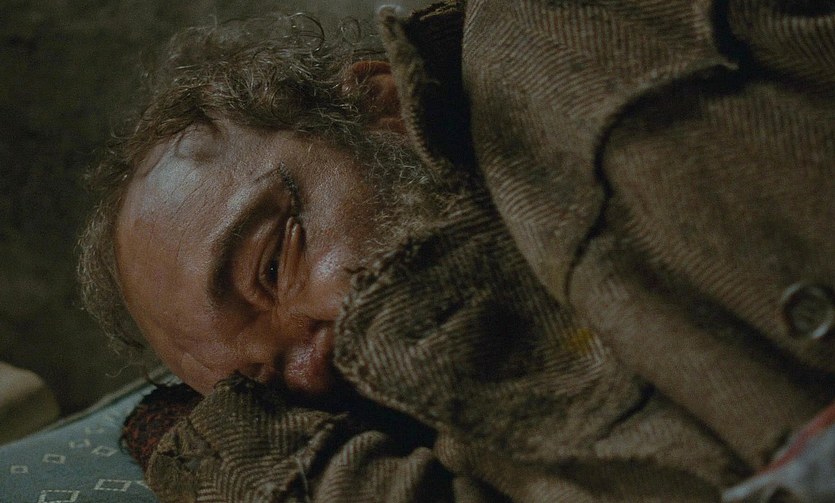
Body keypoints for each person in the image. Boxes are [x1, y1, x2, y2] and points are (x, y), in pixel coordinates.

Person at [77, 0, 835, 501]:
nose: (311, 366)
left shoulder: (550, 40)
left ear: (380, 105)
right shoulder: (466, 437)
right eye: (266, 382)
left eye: (274, 264)